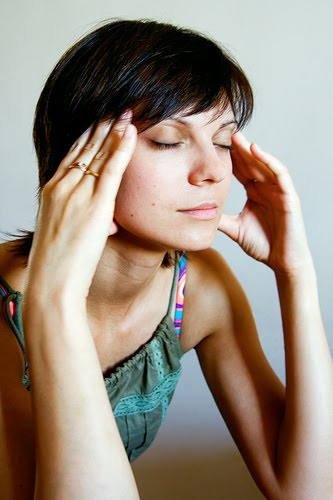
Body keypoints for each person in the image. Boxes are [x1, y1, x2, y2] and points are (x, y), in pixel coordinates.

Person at [0, 18, 332, 500]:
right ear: (81, 158)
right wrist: (56, 297)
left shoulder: (200, 289)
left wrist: (295, 272)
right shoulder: (11, 305)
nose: (214, 171)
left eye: (221, 142)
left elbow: (308, 490)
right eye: (169, 141)